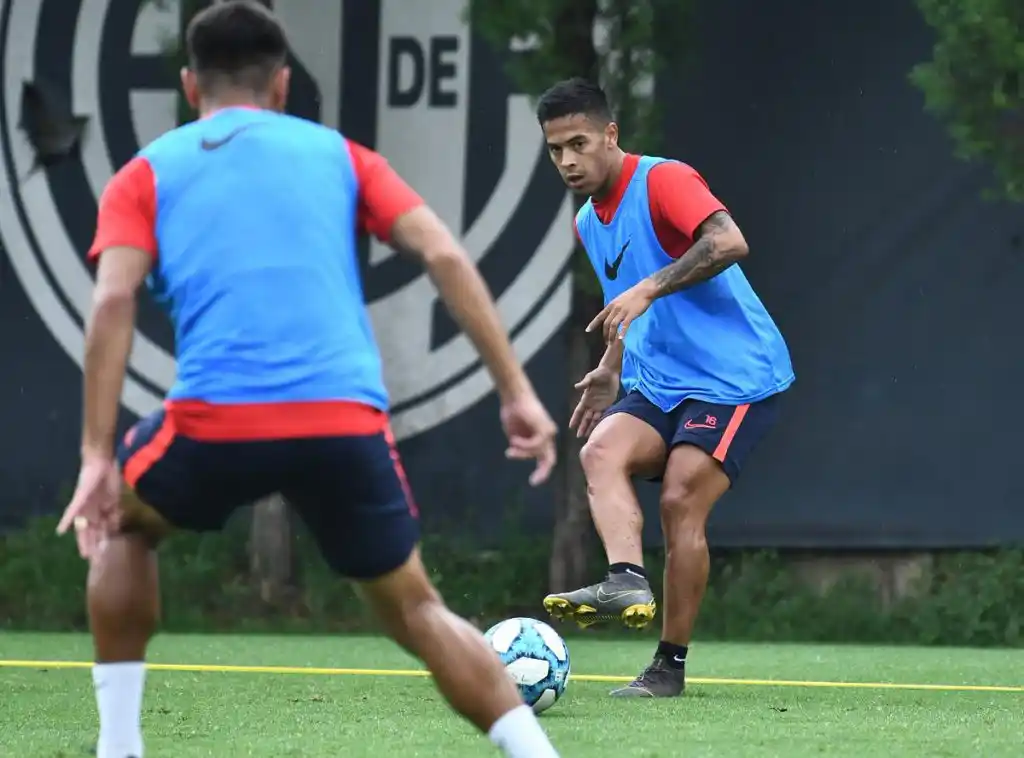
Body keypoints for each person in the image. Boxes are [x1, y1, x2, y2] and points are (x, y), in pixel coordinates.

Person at [56, 3, 561, 757]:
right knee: (417, 608)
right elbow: (447, 257)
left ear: (192, 87)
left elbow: (114, 299)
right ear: (283, 84)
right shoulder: (343, 156)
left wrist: (98, 456)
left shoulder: (145, 173)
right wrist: (517, 393)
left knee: (124, 523)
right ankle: (534, 752)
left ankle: (120, 747)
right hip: (344, 425)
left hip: (213, 423)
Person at [536, 78, 795, 698]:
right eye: (555, 149)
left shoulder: (663, 180)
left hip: (734, 377)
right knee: (600, 449)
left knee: (680, 497)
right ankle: (626, 578)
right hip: (661, 379)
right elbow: (624, 302)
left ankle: (668, 667)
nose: (568, 160)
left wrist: (651, 287)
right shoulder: (587, 222)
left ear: (611, 135)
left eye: (579, 143)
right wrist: (611, 365)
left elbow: (729, 241)